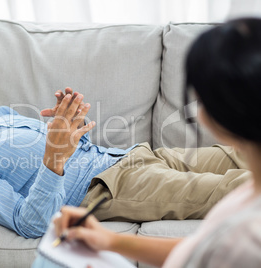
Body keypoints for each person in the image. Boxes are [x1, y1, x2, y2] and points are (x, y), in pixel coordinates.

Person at [0, 41, 249, 241]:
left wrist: (69, 123)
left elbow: (63, 145)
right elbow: (29, 224)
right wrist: (54, 158)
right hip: (107, 188)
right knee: (236, 188)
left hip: (128, 156)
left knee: (241, 154)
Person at [49, 17, 261, 267]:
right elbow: (201, 248)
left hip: (121, 163)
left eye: (201, 100)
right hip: (111, 178)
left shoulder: (245, 238)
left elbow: (210, 253)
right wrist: (111, 241)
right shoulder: (248, 199)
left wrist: (56, 152)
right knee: (226, 178)